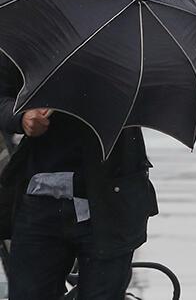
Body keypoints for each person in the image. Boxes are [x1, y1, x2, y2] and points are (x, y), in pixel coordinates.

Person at [0, 53, 159, 299]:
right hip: (41, 196)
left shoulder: (135, 44)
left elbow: (157, 97)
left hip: (113, 196)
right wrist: (21, 117)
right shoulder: (34, 35)